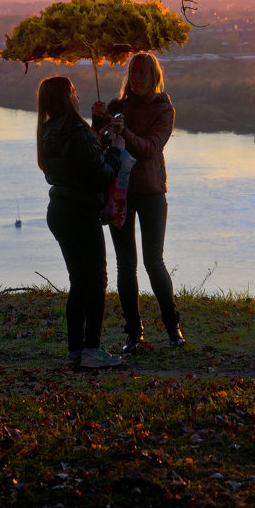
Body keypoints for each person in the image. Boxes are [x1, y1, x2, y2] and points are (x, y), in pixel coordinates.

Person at [92, 52, 185, 354]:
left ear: (154, 76)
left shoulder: (164, 109)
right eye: (133, 72)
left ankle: (173, 328)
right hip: (119, 191)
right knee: (125, 264)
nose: (137, 77)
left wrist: (124, 131)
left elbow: (150, 148)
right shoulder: (117, 106)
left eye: (143, 72)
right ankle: (133, 333)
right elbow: (100, 145)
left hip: (151, 191)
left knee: (153, 261)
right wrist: (99, 121)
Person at [37, 76, 124, 369]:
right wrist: (114, 149)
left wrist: (97, 130)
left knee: (78, 282)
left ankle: (75, 351)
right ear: (67, 97)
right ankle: (92, 350)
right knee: (96, 280)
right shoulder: (77, 132)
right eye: (74, 91)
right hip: (81, 214)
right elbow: (102, 175)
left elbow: (72, 166)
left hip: (59, 211)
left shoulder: (48, 132)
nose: (77, 94)